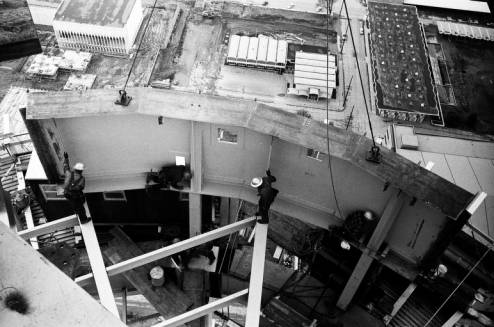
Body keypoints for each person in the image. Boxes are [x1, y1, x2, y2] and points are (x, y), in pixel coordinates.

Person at [63, 152, 90, 223]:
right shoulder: (81, 178)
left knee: (73, 204)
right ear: (81, 171)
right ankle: (83, 220)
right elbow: (81, 188)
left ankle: (76, 212)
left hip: (66, 193)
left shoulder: (68, 173)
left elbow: (65, 166)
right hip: (74, 195)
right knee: (80, 208)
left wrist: (66, 158)